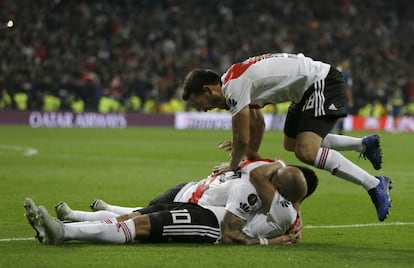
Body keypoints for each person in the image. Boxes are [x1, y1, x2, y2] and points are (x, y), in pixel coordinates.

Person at [182, 52, 392, 221]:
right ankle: (363, 146)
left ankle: (374, 184)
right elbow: (258, 124)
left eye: (200, 103)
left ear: (208, 90)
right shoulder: (235, 81)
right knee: (291, 143)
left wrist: (233, 164)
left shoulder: (234, 86)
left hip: (320, 82)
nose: (204, 110)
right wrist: (247, 158)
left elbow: (243, 139)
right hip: (302, 92)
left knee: (306, 151)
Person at [24, 160, 318, 245]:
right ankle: (59, 228)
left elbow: (231, 234)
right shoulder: (286, 208)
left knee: (140, 224)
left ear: (277, 184)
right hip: (201, 210)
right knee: (135, 219)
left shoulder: (254, 191)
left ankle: (65, 232)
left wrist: (269, 244)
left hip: (210, 226)